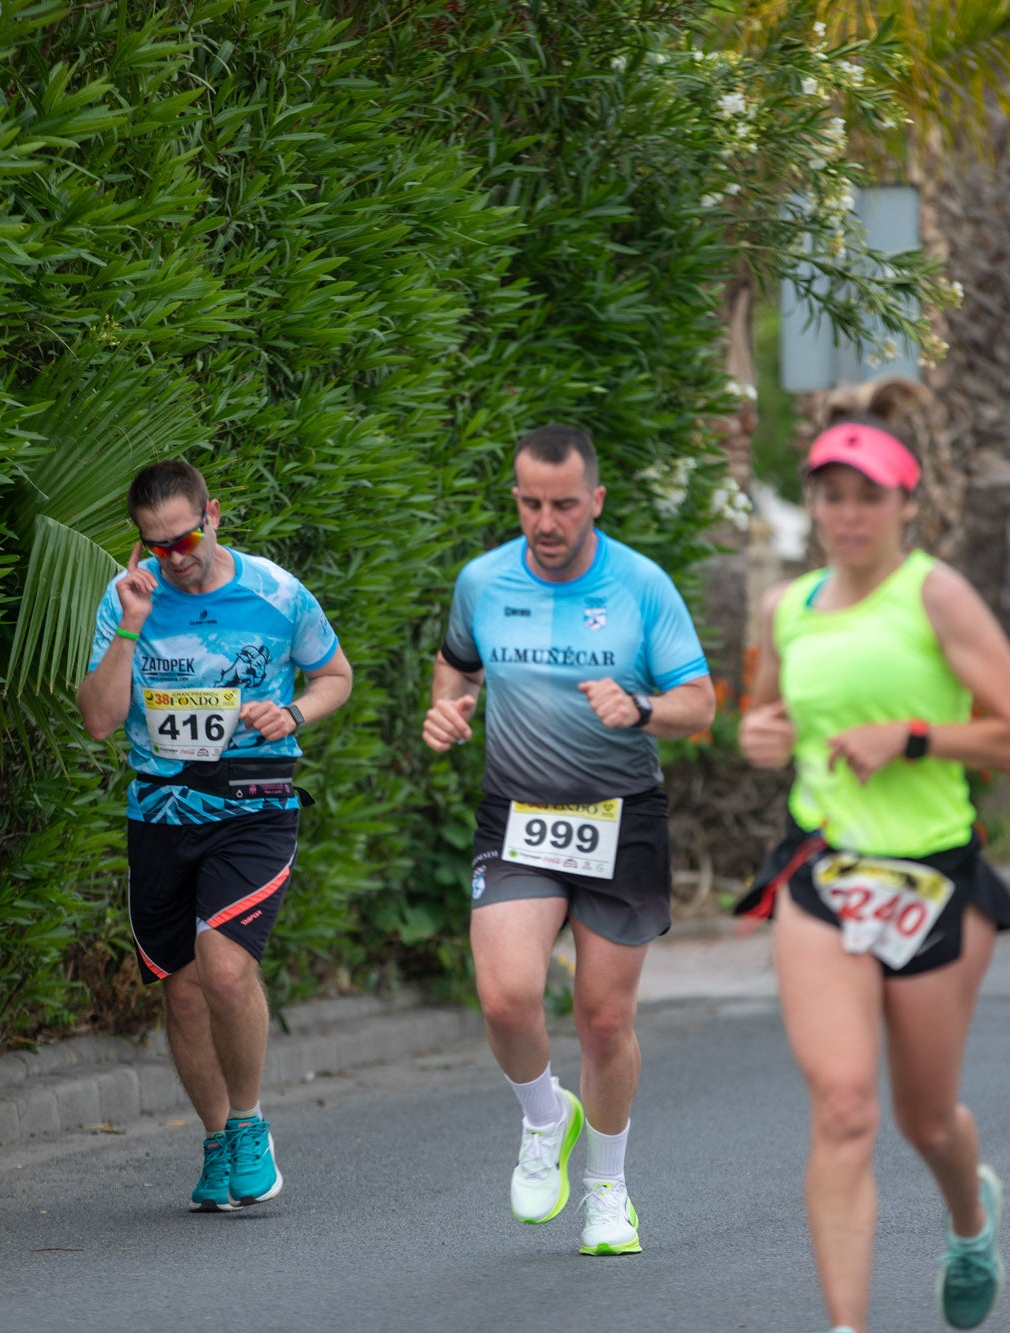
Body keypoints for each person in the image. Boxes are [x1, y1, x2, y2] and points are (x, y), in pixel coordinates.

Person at [737, 418, 1010, 1333]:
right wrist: (759, 736)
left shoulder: (936, 595)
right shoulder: (785, 607)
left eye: (868, 496)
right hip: (823, 874)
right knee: (842, 1107)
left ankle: (970, 1220)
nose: (848, 513)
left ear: (906, 503)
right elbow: (766, 718)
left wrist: (909, 738)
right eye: (832, 495)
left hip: (934, 879)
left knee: (927, 1120)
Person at [422, 425, 715, 1257]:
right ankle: (546, 1116)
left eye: (563, 505)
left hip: (622, 820)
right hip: (519, 816)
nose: (545, 522)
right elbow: (457, 662)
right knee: (505, 998)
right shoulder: (484, 580)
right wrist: (447, 706)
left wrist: (643, 708)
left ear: (596, 500)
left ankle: (608, 1190)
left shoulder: (640, 585)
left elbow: (700, 701)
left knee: (603, 1018)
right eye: (530, 503)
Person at [76, 459, 354, 1213]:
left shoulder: (276, 593)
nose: (175, 556)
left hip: (253, 804)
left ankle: (250, 1122)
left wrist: (292, 714)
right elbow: (98, 720)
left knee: (225, 970)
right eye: (156, 543)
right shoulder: (127, 599)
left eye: (186, 537)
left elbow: (336, 676)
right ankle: (217, 1138)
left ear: (214, 514)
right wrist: (130, 626)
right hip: (161, 813)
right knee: (184, 992)